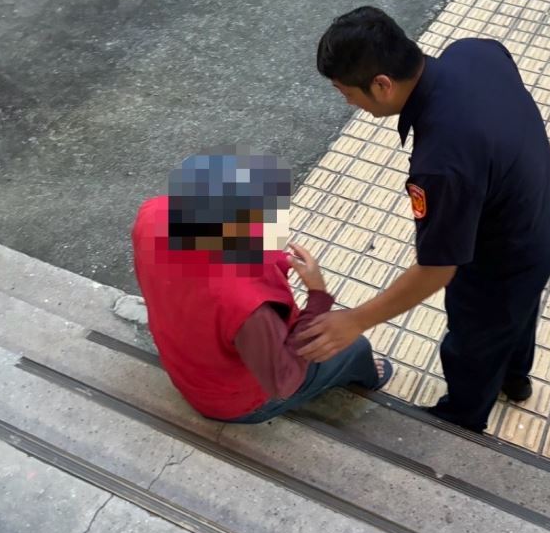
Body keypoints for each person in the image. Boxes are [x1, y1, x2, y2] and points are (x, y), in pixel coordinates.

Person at [301, 7, 550, 434]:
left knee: (472, 342)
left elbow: (438, 268)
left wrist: (354, 320)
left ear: (382, 85)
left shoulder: (441, 163)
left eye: (345, 92)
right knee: (517, 313)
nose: (347, 102)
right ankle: (515, 381)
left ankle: (462, 418)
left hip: (499, 255)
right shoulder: (474, 52)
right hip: (541, 215)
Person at [132, 153, 392, 424]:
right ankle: (370, 379)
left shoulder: (153, 215)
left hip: (182, 357)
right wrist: (318, 296)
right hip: (228, 401)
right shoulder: (247, 302)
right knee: (355, 345)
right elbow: (283, 380)